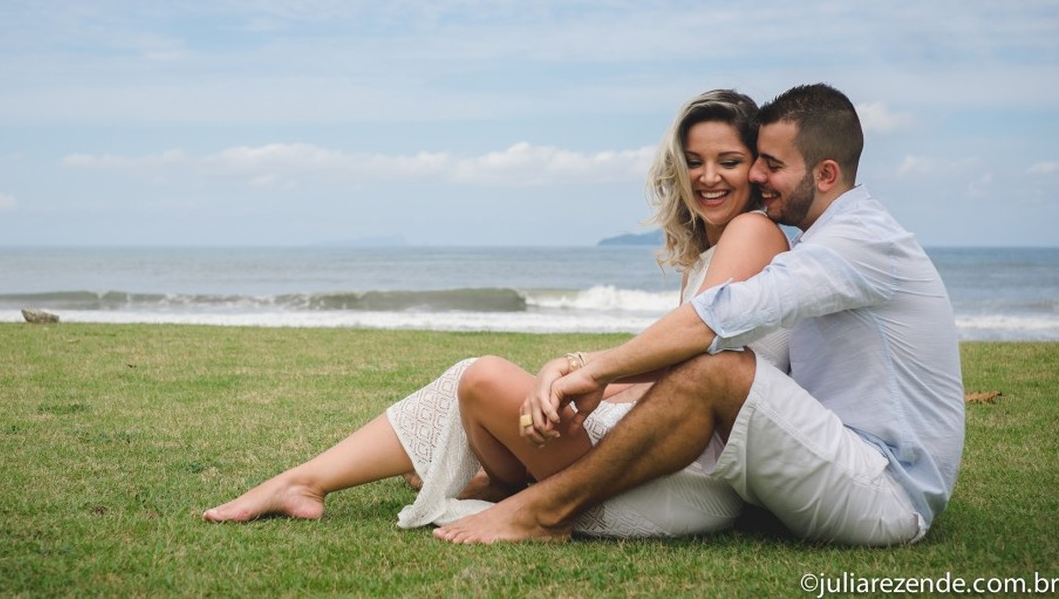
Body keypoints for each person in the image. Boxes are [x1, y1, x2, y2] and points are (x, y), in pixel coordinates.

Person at [202, 88, 790, 537]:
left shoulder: (753, 230)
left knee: (479, 376)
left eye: (728, 161)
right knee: (493, 391)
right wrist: (576, 385)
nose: (707, 177)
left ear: (756, 169)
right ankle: (464, 480)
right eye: (693, 161)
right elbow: (671, 365)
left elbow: (693, 344)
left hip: (684, 480)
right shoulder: (709, 253)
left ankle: (306, 481)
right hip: (657, 461)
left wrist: (581, 369)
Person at [434, 83, 965, 547]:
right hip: (834, 458)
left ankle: (543, 511)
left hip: (889, 495)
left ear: (826, 173)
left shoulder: (858, 241)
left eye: (772, 165)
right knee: (715, 365)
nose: (756, 175)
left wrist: (594, 368)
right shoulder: (823, 239)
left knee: (719, 369)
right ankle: (524, 489)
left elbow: (722, 317)